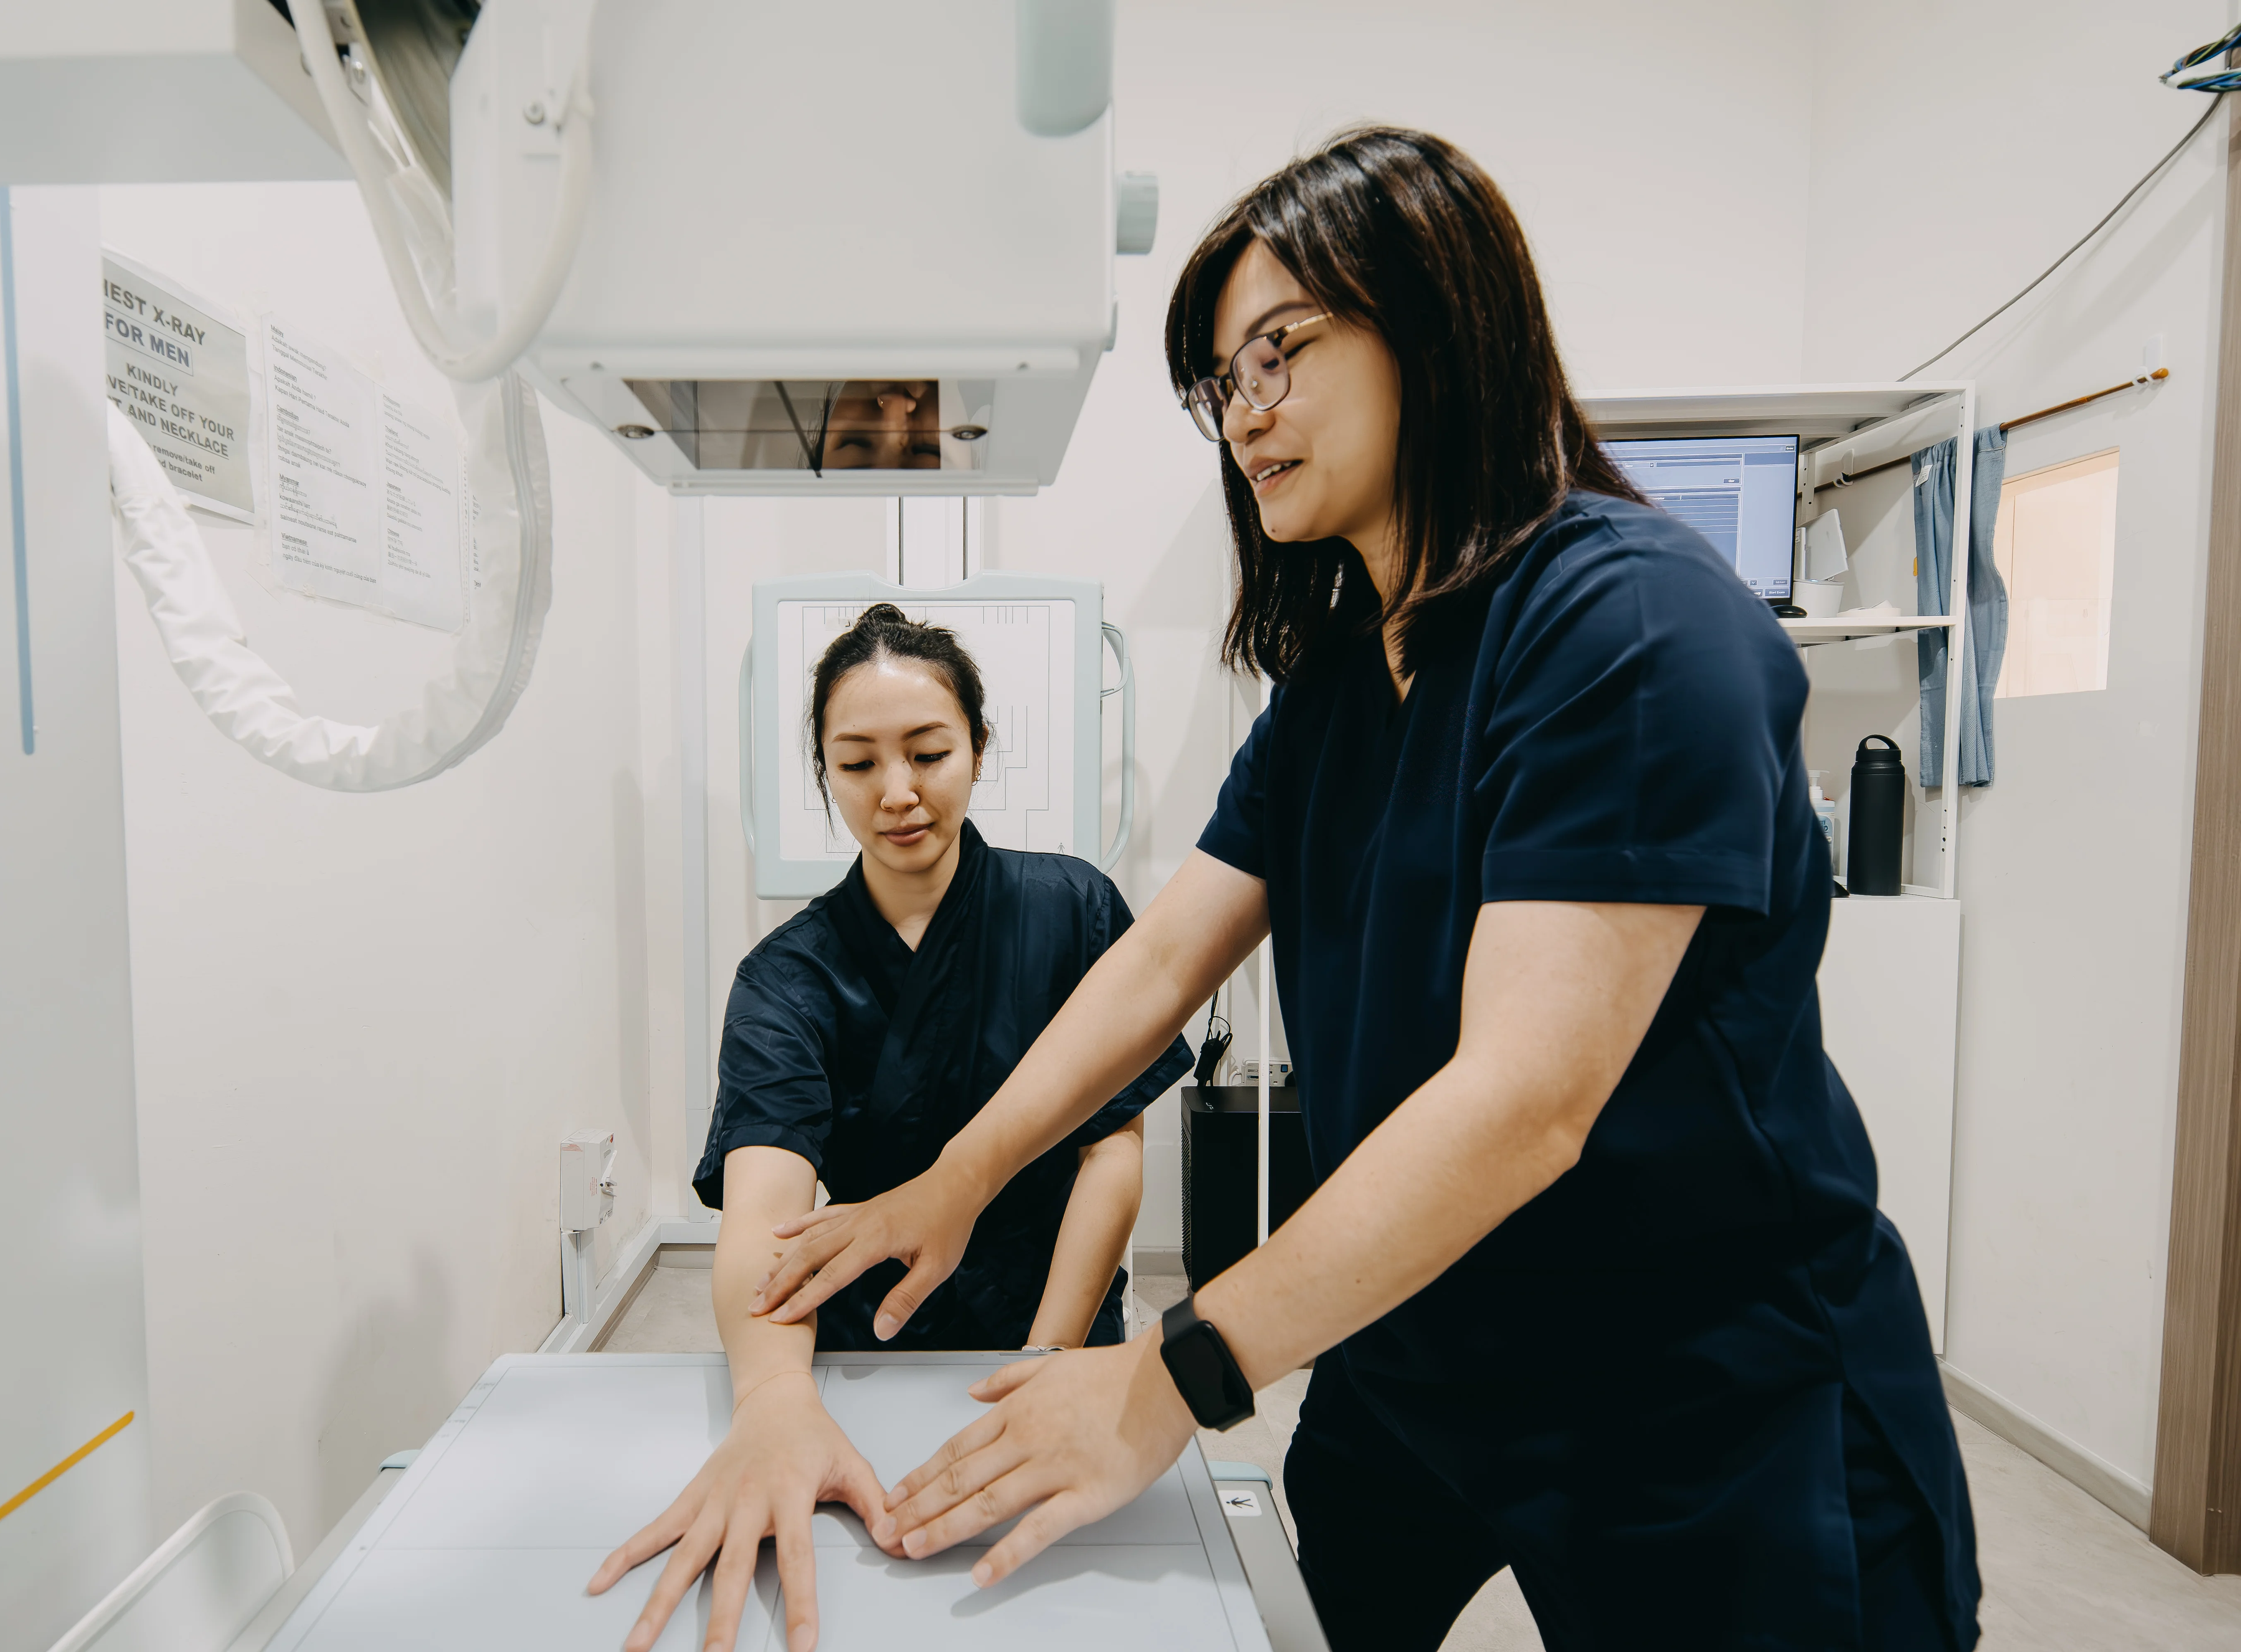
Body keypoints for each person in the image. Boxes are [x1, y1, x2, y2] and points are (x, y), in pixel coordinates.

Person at [747, 129, 1982, 1650]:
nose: (1244, 414)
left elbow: (1524, 1104)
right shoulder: (1341, 674)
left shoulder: (1635, 631)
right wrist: (964, 1174)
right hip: (1420, 1343)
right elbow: (1160, 965)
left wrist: (1173, 1376)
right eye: (1222, 381)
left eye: (1280, 352)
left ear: (1439, 322)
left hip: (1700, 1388)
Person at [588, 603, 1191, 1652]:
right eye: (858, 761)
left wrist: (1046, 1354)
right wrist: (774, 1397)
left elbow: (1113, 1150)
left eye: (928, 751)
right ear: (823, 770)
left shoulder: (1074, 909)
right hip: (873, 1360)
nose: (898, 791)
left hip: (1062, 1334)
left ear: (980, 748)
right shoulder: (789, 976)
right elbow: (763, 1219)